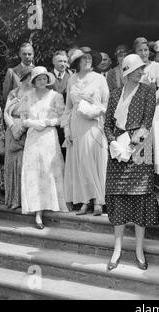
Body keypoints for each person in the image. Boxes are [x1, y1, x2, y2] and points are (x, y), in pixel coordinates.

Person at [104, 54, 159, 271]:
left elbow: (147, 123)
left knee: (140, 200)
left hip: (139, 152)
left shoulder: (148, 91)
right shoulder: (115, 94)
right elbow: (107, 124)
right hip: (117, 154)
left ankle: (138, 250)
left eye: (142, 68)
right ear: (126, 71)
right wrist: (113, 144)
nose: (141, 71)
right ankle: (117, 249)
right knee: (117, 199)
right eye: (137, 68)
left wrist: (131, 147)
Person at [20, 66, 68, 229]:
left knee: (49, 169)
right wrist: (33, 123)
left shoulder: (55, 96)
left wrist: (47, 122)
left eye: (44, 78)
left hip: (48, 136)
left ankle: (54, 203)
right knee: (34, 172)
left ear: (48, 80)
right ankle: (37, 212)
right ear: (33, 81)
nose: (42, 81)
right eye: (38, 79)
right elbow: (23, 118)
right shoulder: (27, 96)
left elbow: (62, 118)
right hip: (33, 137)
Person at [63, 49, 109, 215]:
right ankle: (85, 200)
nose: (88, 60)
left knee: (93, 160)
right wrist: (67, 128)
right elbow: (68, 107)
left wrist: (94, 111)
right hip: (76, 124)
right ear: (77, 62)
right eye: (84, 58)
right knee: (81, 162)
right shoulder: (72, 80)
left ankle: (98, 200)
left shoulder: (99, 79)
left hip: (93, 124)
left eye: (90, 57)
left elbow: (106, 104)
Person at [134, 37, 159, 183]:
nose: (143, 53)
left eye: (146, 50)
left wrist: (150, 99)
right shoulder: (133, 68)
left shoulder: (157, 67)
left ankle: (156, 177)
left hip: (153, 110)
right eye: (140, 50)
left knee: (155, 141)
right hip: (136, 110)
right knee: (141, 141)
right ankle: (142, 176)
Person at [3, 66, 33, 209]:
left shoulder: (35, 94)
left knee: (23, 164)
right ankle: (13, 199)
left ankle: (23, 200)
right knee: (11, 164)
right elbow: (6, 112)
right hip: (11, 129)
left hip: (27, 130)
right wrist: (13, 128)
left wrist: (21, 129)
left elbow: (33, 115)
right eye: (27, 77)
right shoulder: (13, 93)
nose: (29, 80)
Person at [50, 50, 73, 159]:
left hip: (68, 118)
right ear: (53, 62)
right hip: (52, 118)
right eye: (60, 61)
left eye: (65, 61)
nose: (63, 64)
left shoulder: (71, 76)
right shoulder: (48, 76)